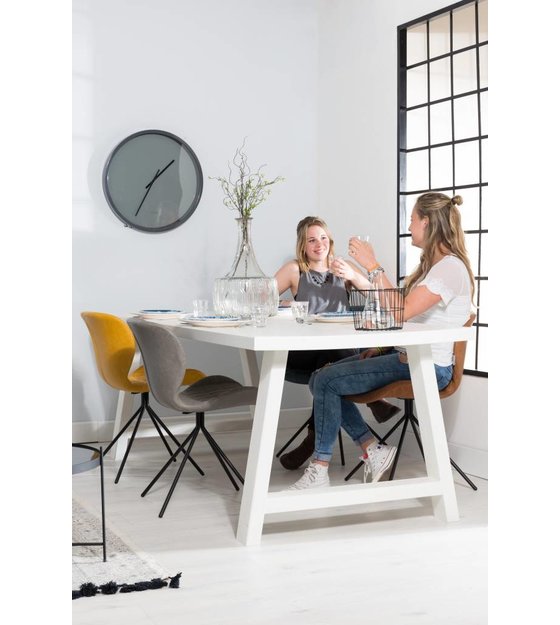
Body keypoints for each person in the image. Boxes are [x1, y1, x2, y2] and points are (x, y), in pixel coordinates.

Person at [287, 192, 475, 490]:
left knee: (325, 381)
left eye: (412, 220)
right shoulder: (437, 267)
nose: (409, 226)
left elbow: (401, 311)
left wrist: (372, 265)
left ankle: (324, 467)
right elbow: (410, 317)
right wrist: (380, 347)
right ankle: (370, 449)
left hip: (427, 366)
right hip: (408, 357)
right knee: (320, 377)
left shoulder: (449, 268)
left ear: (427, 222)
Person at [275, 216, 399, 470]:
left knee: (329, 369)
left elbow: (377, 296)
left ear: (330, 240)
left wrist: (353, 275)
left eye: (323, 238)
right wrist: (285, 304)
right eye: (311, 240)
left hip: (337, 354)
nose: (319, 244)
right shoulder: (294, 270)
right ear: (303, 245)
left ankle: (312, 442)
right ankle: (374, 402)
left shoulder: (343, 267)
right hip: (302, 353)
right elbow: (260, 298)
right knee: (332, 361)